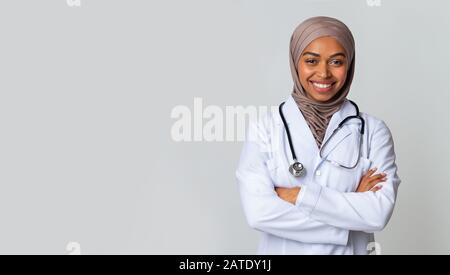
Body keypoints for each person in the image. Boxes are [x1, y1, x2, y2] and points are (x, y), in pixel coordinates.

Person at [236, 16, 401, 255]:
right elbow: (259, 213)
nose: (323, 73)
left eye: (336, 61)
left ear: (350, 64)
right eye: (311, 60)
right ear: (295, 62)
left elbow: (377, 214)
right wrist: (350, 213)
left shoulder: (373, 131)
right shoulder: (265, 129)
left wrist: (298, 196)